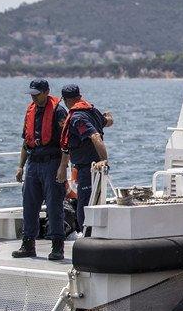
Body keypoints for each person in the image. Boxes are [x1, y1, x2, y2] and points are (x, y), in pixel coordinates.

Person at [13, 79, 69, 261]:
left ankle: (57, 246)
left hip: (52, 163)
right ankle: (28, 245)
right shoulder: (31, 110)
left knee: (54, 205)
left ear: (46, 92)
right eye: (32, 94)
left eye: (37, 94)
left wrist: (62, 167)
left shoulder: (59, 112)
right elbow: (26, 141)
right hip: (33, 163)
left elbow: (65, 143)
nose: (34, 97)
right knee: (29, 205)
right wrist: (20, 166)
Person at [58, 85, 110, 233]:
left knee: (84, 206)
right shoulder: (92, 111)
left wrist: (104, 159)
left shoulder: (77, 118)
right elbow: (107, 121)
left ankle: (86, 236)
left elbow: (95, 136)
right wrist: (109, 117)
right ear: (79, 97)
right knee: (93, 202)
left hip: (89, 168)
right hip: (91, 169)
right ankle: (92, 234)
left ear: (66, 100)